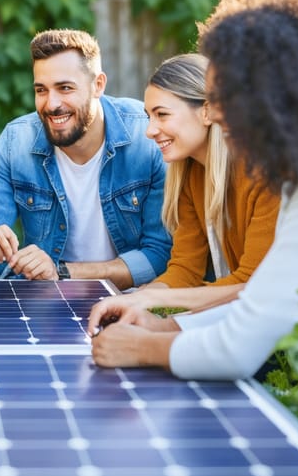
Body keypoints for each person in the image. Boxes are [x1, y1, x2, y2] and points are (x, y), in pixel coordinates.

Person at [89, 0, 298, 380]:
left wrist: (142, 345)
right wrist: (163, 325)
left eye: (226, 98)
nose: (217, 114)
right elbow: (260, 304)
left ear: (276, 98)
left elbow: (239, 348)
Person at [0, 29, 171, 289]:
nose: (51, 104)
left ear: (98, 85)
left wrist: (63, 272)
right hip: (47, 300)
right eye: (41, 90)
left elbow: (159, 254)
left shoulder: (147, 135)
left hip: (131, 299)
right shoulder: (16, 142)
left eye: (65, 88)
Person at [101, 54, 280, 312]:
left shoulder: (266, 175)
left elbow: (251, 285)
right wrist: (138, 299)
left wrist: (151, 302)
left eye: (162, 114)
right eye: (149, 117)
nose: (150, 131)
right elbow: (185, 270)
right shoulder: (190, 173)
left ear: (207, 111)